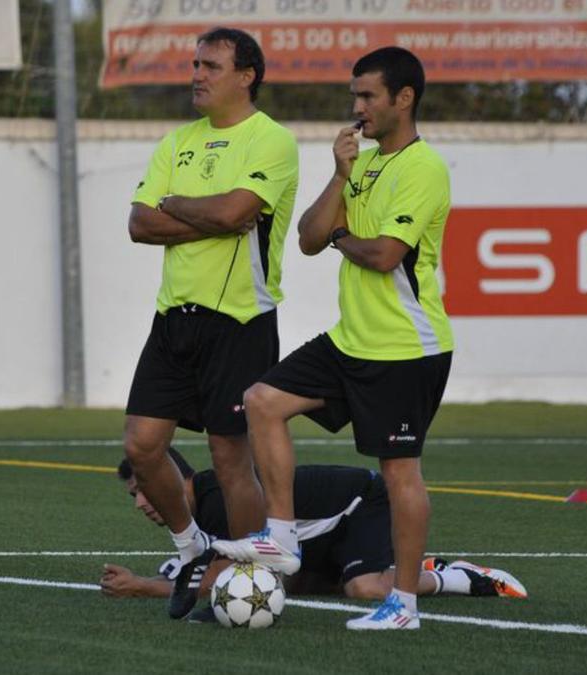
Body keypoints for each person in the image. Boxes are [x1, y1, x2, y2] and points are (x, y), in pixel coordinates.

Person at [212, 46, 454, 630]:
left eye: (368, 96)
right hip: (351, 341)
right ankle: (283, 540)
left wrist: (343, 234)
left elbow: (383, 255)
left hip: (404, 349)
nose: (357, 108)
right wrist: (341, 175)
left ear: (404, 98)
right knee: (262, 401)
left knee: (399, 474)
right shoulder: (364, 164)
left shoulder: (425, 169)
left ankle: (405, 605)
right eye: (354, 96)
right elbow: (308, 238)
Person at [122, 26, 299, 620]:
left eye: (211, 66)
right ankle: (192, 546)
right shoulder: (176, 142)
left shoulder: (271, 141)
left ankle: (245, 579)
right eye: (195, 64)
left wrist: (180, 206)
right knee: (144, 447)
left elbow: (236, 212)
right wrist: (202, 214)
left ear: (246, 75)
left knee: (229, 460)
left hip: (239, 320)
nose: (197, 75)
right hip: (174, 317)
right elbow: (140, 224)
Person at [101, 448, 526, 622]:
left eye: (143, 491)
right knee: (290, 584)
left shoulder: (217, 499)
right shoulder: (201, 504)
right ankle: (406, 568)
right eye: (133, 496)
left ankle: (459, 576)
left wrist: (143, 587)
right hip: (316, 534)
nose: (141, 504)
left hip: (360, 503)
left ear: (174, 478)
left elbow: (215, 580)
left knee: (365, 589)